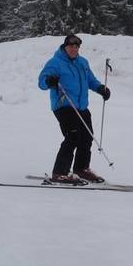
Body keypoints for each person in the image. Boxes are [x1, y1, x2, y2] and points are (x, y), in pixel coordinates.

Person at [38, 34, 111, 183]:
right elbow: (42, 82)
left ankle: (81, 169)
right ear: (65, 47)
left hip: (81, 106)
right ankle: (59, 173)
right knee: (72, 137)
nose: (74, 49)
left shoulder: (82, 62)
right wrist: (49, 81)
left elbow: (90, 80)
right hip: (64, 105)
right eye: (71, 46)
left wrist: (100, 88)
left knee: (86, 137)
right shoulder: (55, 62)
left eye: (77, 46)